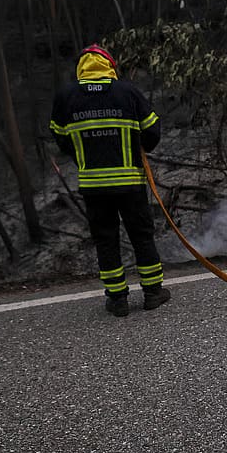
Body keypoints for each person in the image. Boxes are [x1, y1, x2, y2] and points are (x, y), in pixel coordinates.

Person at [50, 44, 171, 316]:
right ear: (110, 67)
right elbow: (152, 131)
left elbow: (59, 136)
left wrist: (83, 155)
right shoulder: (127, 92)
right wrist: (138, 145)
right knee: (141, 236)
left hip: (93, 185)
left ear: (81, 68)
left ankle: (117, 300)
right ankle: (153, 293)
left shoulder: (66, 97)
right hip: (130, 183)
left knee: (106, 240)